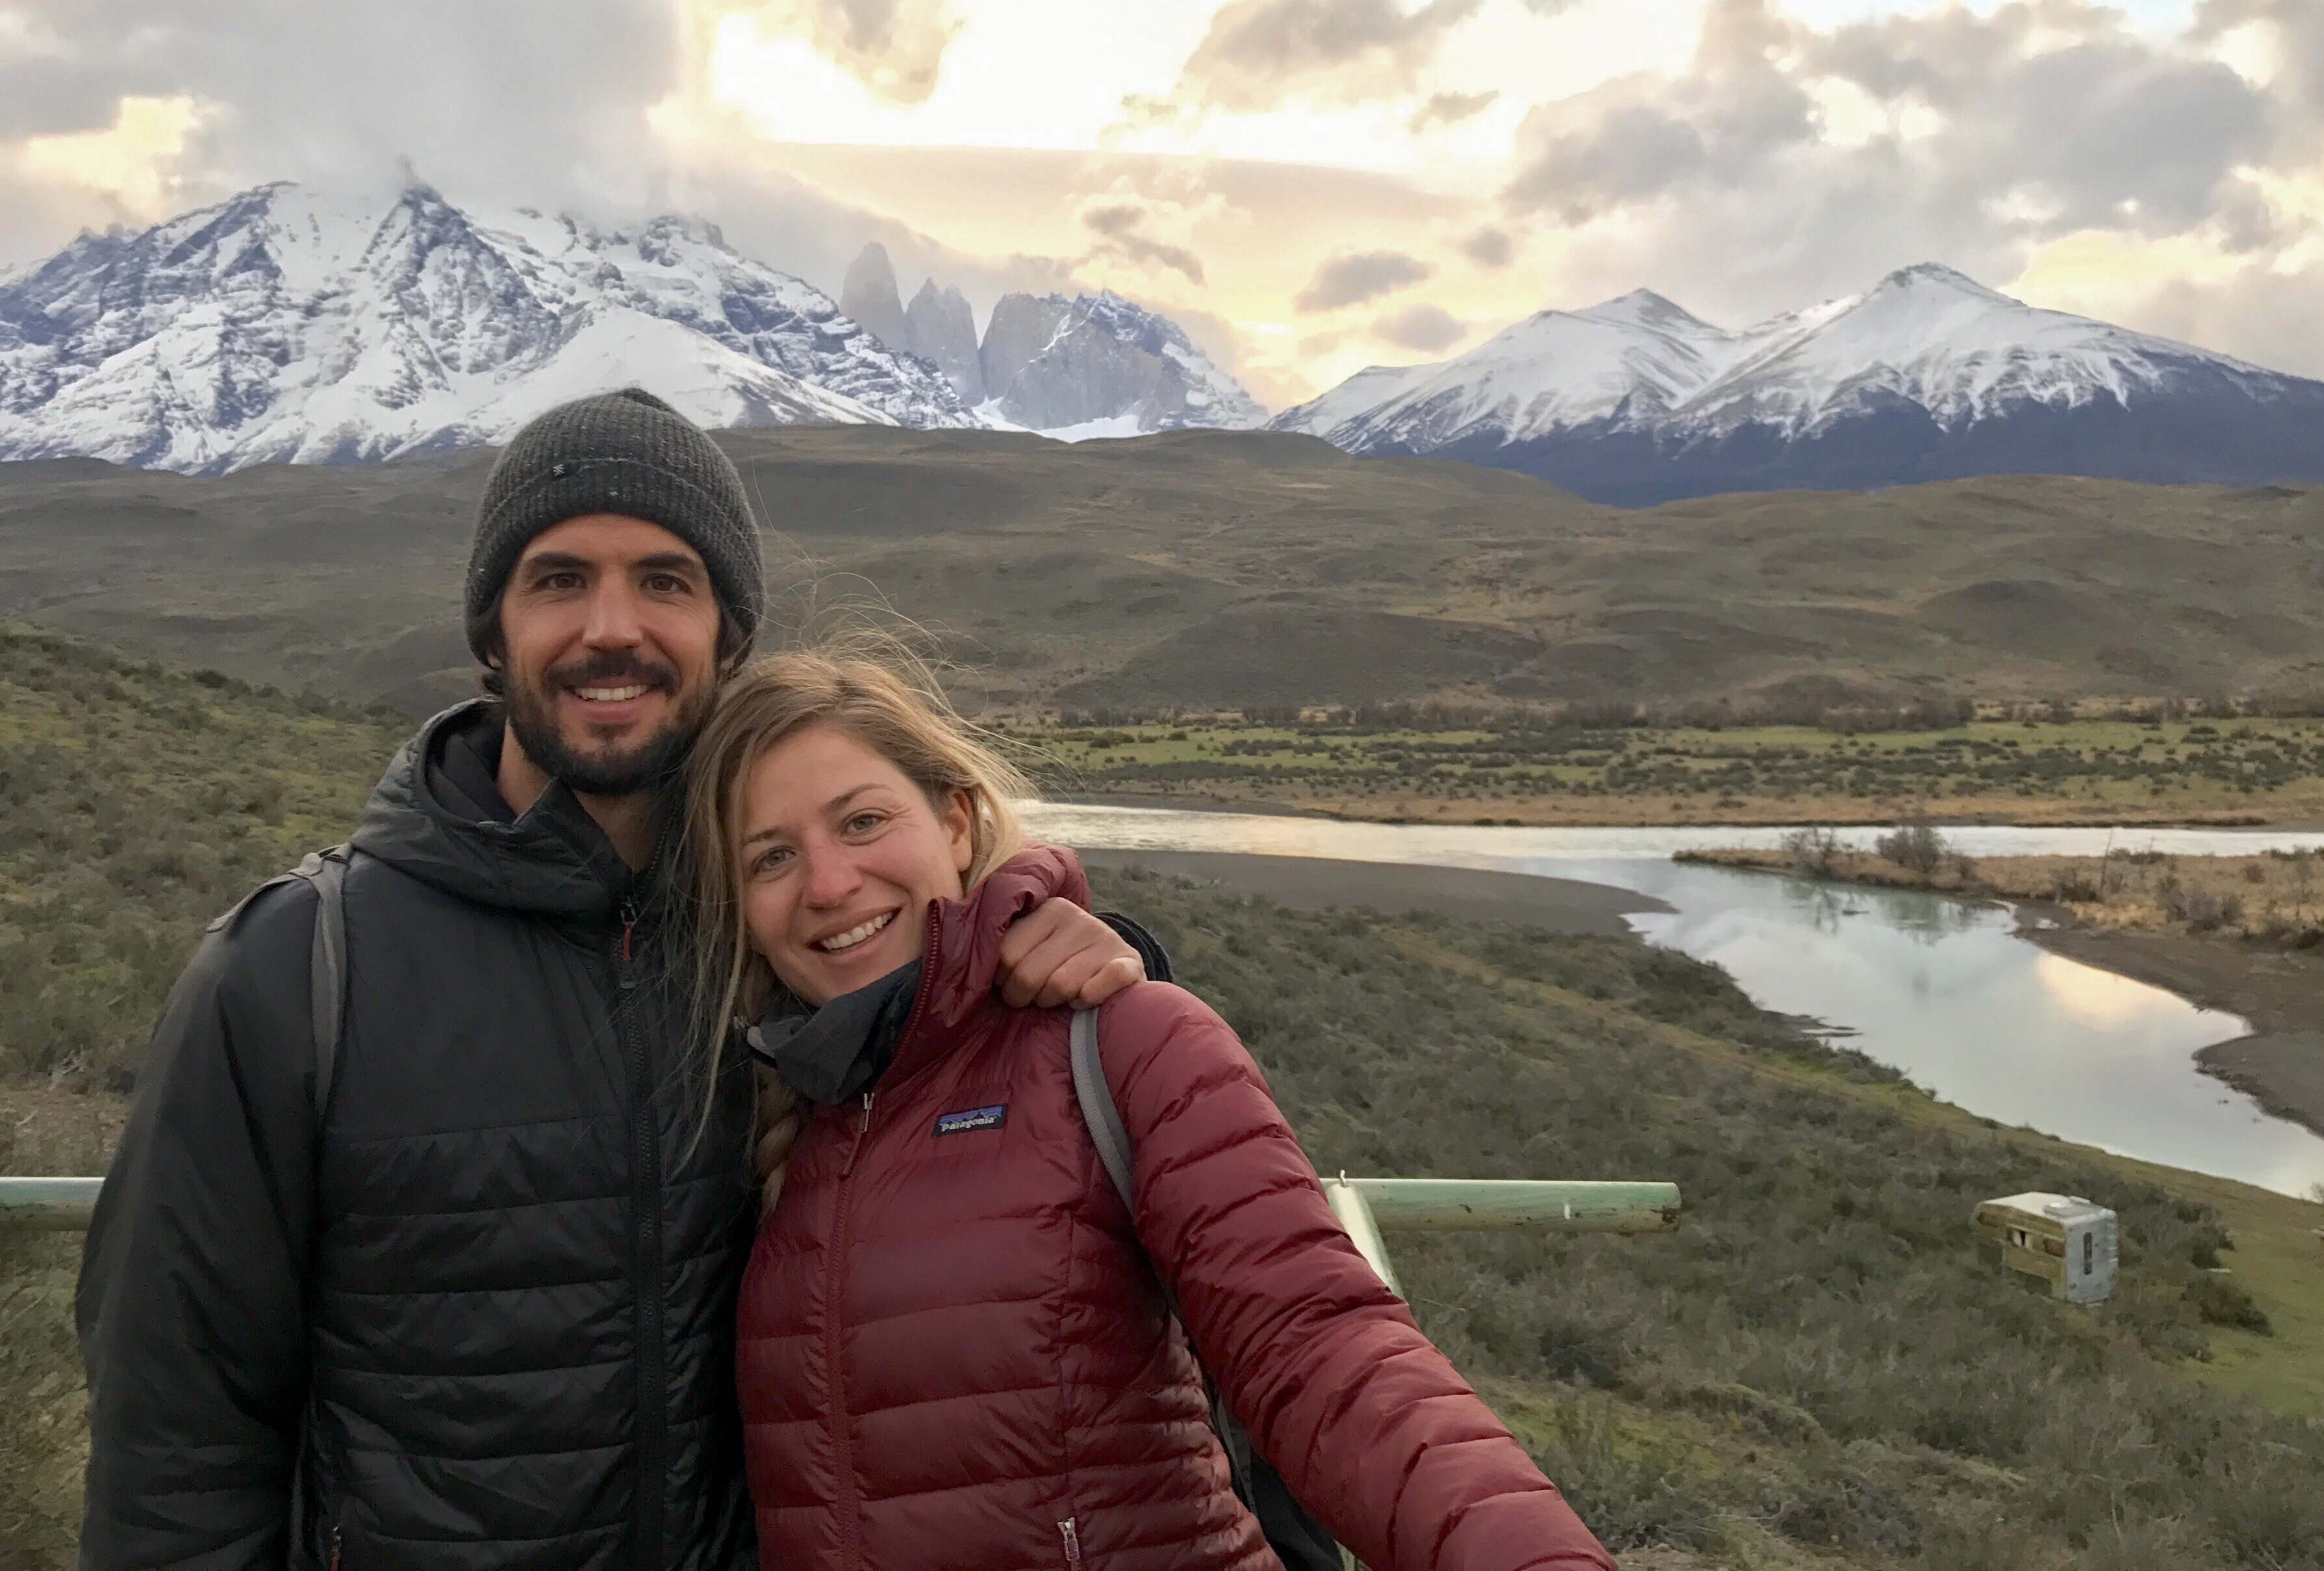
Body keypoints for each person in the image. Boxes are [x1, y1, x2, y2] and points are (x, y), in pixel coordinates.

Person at [75, 388, 1153, 1571]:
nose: (611, 628)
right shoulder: (295, 972)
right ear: (493, 632)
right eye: (558, 580)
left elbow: (973, 1056)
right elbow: (174, 1455)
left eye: (665, 581)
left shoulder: (794, 929)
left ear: (729, 638)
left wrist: (1094, 960)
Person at [684, 651, 1616, 1571]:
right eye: (773, 857)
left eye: (863, 821)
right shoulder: (763, 1115)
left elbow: (1320, 1349)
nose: (828, 884)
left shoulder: (1123, 1044)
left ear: (956, 823)